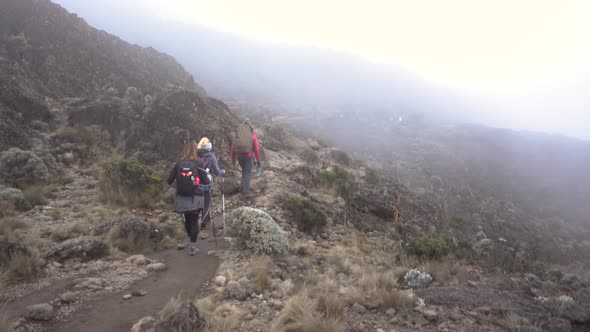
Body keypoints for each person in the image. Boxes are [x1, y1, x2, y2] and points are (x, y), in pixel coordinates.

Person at [167, 139, 211, 255]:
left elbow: (169, 180)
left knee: (187, 220)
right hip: (196, 196)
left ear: (184, 151)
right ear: (195, 151)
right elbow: (206, 181)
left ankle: (190, 240)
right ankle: (193, 245)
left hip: (182, 197)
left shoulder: (178, 164)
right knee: (194, 220)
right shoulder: (198, 164)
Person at [196, 137, 224, 239]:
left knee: (198, 205)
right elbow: (217, 171)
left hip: (196, 184)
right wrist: (222, 172)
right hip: (207, 185)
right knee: (206, 205)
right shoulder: (211, 156)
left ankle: (206, 221)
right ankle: (203, 228)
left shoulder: (195, 155)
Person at [230, 120, 261, 194]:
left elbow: (233, 147)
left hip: (239, 157)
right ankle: (245, 191)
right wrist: (258, 159)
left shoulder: (238, 136)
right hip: (248, 156)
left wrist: (233, 158)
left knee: (244, 171)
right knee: (247, 173)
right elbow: (256, 149)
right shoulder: (252, 136)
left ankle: (243, 186)